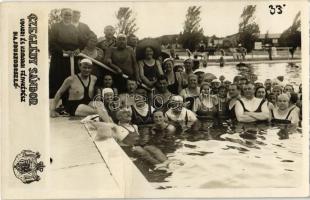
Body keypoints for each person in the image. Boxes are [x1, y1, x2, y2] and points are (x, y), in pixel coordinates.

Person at [94, 109, 167, 165]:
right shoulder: (117, 127)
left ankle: (167, 162)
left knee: (151, 148)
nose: (128, 114)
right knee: (139, 150)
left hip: (137, 146)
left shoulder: (134, 126)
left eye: (129, 113)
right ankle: (158, 165)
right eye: (125, 113)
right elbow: (104, 124)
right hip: (129, 149)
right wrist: (92, 123)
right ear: (119, 117)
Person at [49, 8, 81, 98]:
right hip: (59, 58)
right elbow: (52, 42)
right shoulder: (55, 26)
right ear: (61, 15)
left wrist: (77, 49)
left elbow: (78, 43)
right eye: (66, 14)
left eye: (69, 15)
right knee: (57, 79)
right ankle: (55, 102)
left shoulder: (74, 28)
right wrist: (62, 51)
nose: (68, 16)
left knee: (70, 79)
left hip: (71, 58)